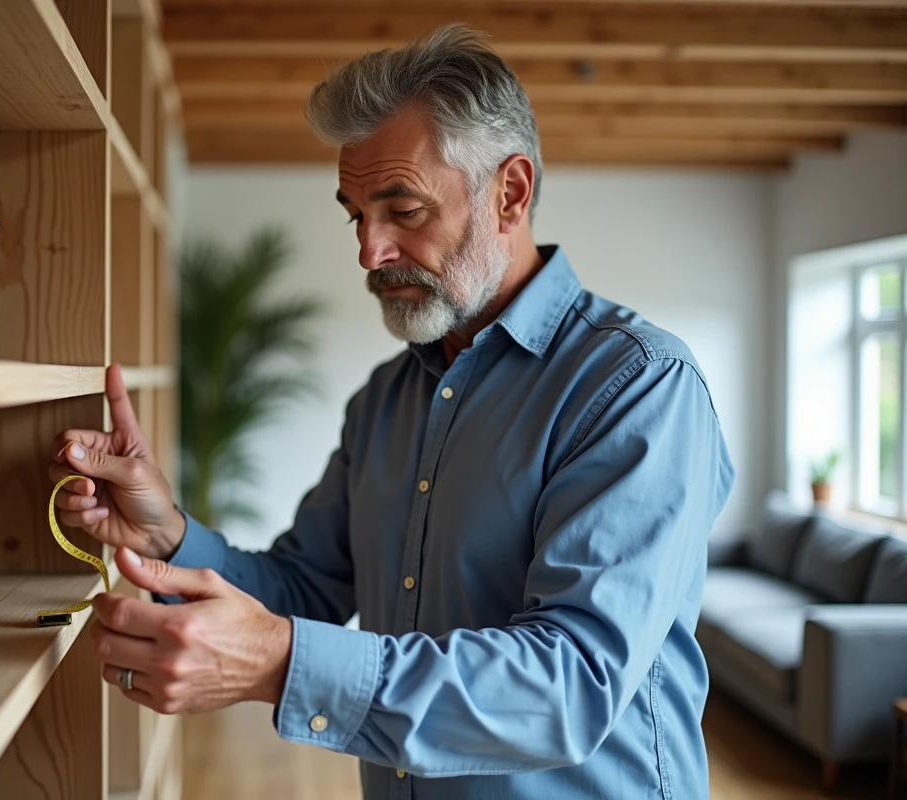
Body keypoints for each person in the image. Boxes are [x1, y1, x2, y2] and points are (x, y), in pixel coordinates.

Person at [49, 24, 733, 800]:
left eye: (402, 209)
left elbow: (570, 685)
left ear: (509, 192)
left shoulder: (638, 385)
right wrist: (164, 532)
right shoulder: (384, 400)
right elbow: (305, 586)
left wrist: (280, 662)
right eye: (356, 214)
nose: (369, 252)